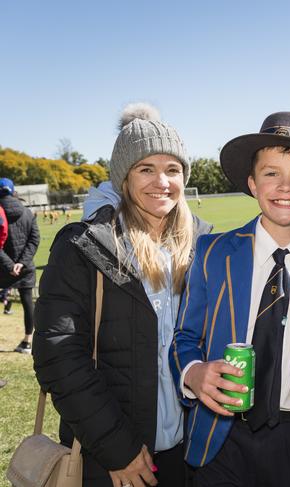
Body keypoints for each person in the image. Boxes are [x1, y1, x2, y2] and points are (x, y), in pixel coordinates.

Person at [33, 103, 212, 487]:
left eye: (172, 169)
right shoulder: (83, 246)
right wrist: (119, 450)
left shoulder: (205, 245)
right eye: (146, 169)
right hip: (113, 461)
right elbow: (57, 356)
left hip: (188, 453)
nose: (161, 181)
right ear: (123, 178)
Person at [171, 111, 290, 487]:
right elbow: (183, 338)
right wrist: (194, 373)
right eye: (272, 173)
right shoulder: (212, 253)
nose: (286, 186)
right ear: (253, 183)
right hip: (220, 437)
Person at [0, 178, 40, 353]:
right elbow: (35, 239)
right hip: (24, 267)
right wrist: (21, 263)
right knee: (27, 301)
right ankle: (27, 342)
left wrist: (10, 265)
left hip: (2, 267)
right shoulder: (27, 212)